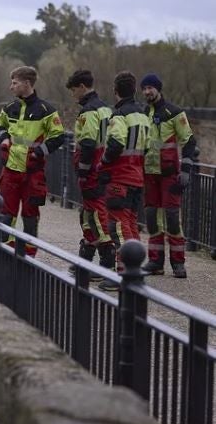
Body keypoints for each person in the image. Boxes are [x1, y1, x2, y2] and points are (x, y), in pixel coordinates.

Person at [0, 66, 65, 256]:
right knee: (5, 215)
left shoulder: (46, 110)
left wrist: (39, 152)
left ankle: (29, 257)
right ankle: (5, 254)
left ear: (27, 83)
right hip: (10, 170)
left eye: (14, 83)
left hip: (33, 172)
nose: (11, 87)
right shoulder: (10, 108)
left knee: (31, 217)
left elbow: (58, 136)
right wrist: (4, 138)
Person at [140, 73, 199, 278]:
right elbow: (147, 144)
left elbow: (189, 142)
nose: (147, 91)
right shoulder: (144, 112)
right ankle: (155, 262)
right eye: (144, 88)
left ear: (158, 89)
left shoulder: (174, 112)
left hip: (169, 175)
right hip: (149, 174)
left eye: (150, 87)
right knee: (152, 219)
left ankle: (178, 263)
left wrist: (185, 170)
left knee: (173, 219)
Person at [96, 71, 150, 291]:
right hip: (137, 177)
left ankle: (123, 274)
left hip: (119, 176)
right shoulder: (143, 115)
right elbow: (147, 147)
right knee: (130, 222)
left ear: (115, 90)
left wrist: (103, 164)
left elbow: (116, 142)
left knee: (117, 224)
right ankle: (136, 270)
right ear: (135, 90)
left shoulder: (119, 115)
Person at [65, 69, 115, 278]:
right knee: (88, 214)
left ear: (82, 87)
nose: (73, 94)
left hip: (92, 169)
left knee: (94, 214)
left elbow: (87, 143)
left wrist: (83, 172)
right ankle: (86, 259)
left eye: (74, 90)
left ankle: (107, 260)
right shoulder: (106, 109)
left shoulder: (88, 112)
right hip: (103, 167)